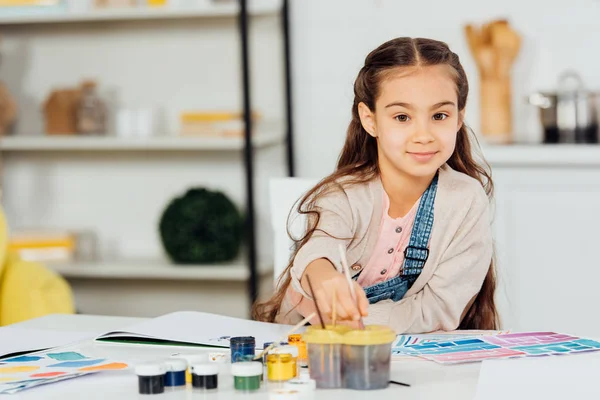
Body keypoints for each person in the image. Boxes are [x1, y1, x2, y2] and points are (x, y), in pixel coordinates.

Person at [253, 37, 498, 333]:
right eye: (402, 117)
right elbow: (317, 251)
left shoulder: (466, 200)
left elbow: (439, 309)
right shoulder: (343, 194)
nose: (423, 134)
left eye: (439, 115)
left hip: (406, 356)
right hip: (308, 350)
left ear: (459, 118)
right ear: (370, 120)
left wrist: (348, 321)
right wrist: (322, 277)